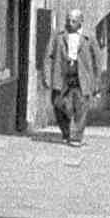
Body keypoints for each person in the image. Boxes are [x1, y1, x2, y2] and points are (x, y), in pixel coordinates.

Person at [47, 10, 95, 144]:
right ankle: (66, 132)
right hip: (62, 75)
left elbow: (96, 59)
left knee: (81, 106)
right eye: (68, 20)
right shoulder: (58, 36)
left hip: (81, 76)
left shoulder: (88, 37)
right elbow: (48, 56)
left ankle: (76, 137)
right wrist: (46, 76)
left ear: (81, 21)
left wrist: (95, 82)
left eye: (74, 21)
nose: (70, 23)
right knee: (58, 103)